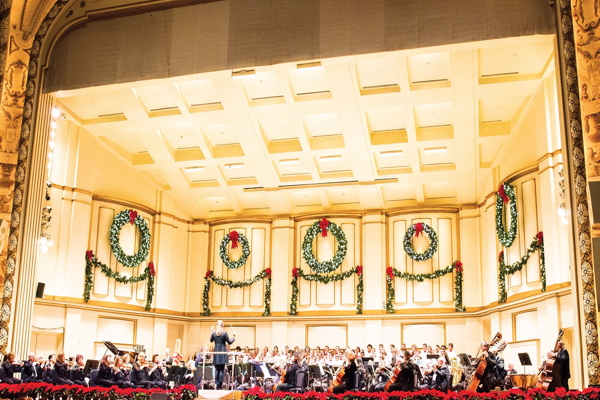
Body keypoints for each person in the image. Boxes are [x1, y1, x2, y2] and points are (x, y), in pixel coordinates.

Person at [210, 320, 235, 390]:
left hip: (216, 351)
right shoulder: (224, 333)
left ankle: (217, 385)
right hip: (223, 351)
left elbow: (211, 340)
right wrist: (234, 337)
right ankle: (220, 386)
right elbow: (229, 342)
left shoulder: (214, 333)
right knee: (221, 369)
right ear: (223, 325)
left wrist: (211, 331)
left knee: (216, 369)